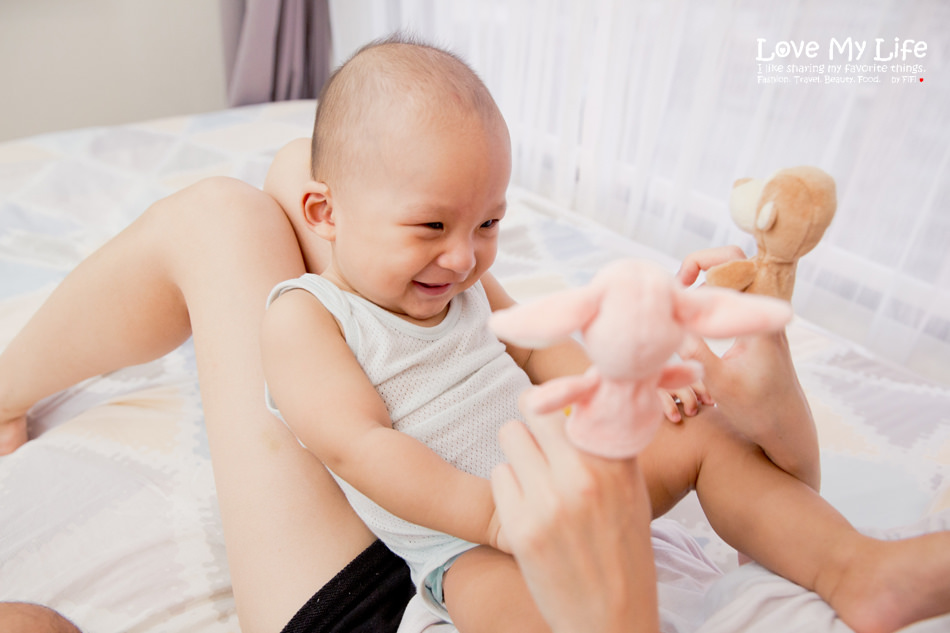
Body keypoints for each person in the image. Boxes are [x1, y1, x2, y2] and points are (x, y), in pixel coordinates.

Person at [0, 35, 948, 633]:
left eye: (489, 222)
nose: (466, 258)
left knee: (703, 440)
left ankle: (855, 566)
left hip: (539, 496)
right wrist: (491, 515)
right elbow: (358, 443)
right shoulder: (302, 319)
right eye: (437, 228)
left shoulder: (459, 279)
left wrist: (620, 399)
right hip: (459, 534)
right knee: (292, 166)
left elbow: (540, 348)